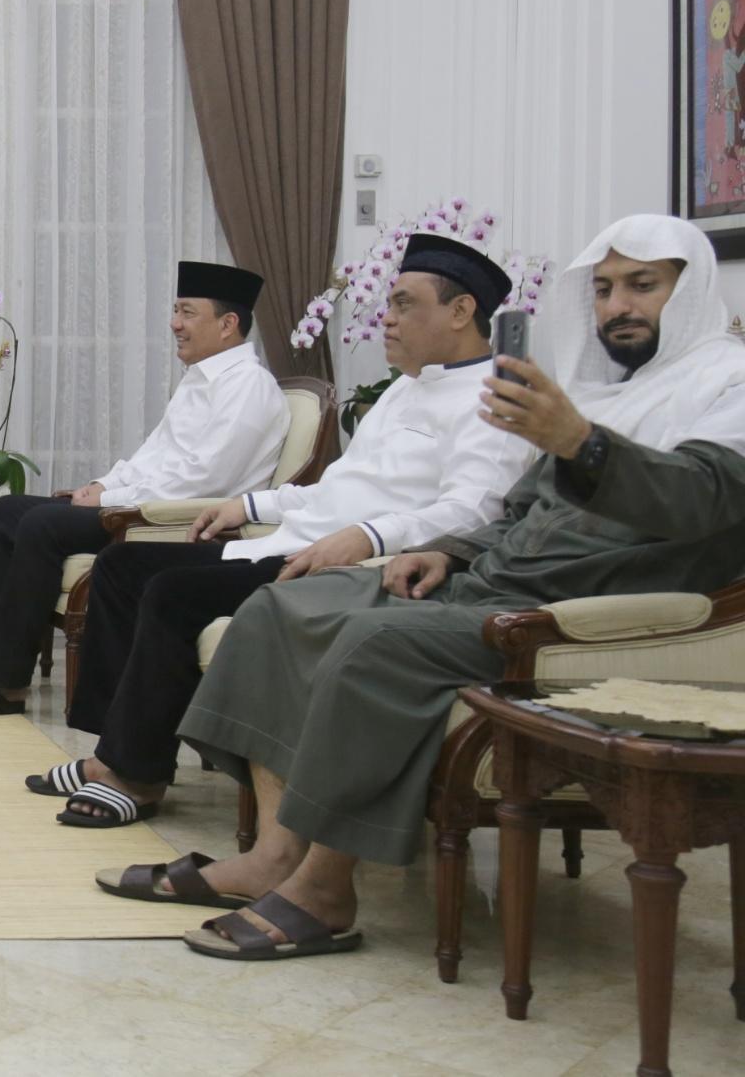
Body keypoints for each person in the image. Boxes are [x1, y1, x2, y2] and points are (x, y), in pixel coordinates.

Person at [113, 215, 745, 962]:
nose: (617, 306)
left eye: (643, 285)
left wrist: (578, 440)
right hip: (489, 578)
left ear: (691, 289)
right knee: (280, 606)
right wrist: (448, 552)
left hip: (572, 615)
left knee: (373, 641)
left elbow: (702, 497)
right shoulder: (606, 393)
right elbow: (516, 514)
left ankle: (325, 890)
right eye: (604, 289)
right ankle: (274, 855)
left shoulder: (726, 381)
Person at [44, 233, 536, 826]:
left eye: (404, 304)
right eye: (389, 303)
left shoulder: (499, 397)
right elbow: (334, 488)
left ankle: (137, 775)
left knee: (172, 592)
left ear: (461, 311)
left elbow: (474, 513)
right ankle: (111, 754)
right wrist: (250, 505)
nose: (386, 319)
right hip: (295, 540)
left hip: (351, 567)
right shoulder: (406, 388)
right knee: (123, 567)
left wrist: (370, 536)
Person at [0, 261, 291, 717]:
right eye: (176, 311)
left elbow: (205, 481)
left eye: (187, 312)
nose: (175, 323)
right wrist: (101, 485)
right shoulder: (200, 379)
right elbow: (151, 456)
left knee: (41, 524)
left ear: (228, 324)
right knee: (6, 511)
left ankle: (4, 682)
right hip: (145, 505)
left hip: (177, 522)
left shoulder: (249, 388)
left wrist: (109, 500)